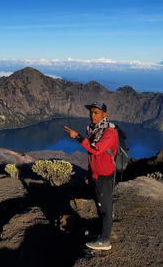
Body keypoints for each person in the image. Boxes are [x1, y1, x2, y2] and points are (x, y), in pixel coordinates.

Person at [64, 101, 118, 251]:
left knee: (106, 208)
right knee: (99, 206)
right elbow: (91, 156)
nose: (92, 115)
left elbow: (95, 150)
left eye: (96, 113)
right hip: (96, 175)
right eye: (91, 112)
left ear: (104, 115)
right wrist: (90, 172)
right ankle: (100, 232)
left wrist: (78, 137)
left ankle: (105, 240)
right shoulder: (94, 130)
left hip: (105, 176)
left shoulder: (109, 133)